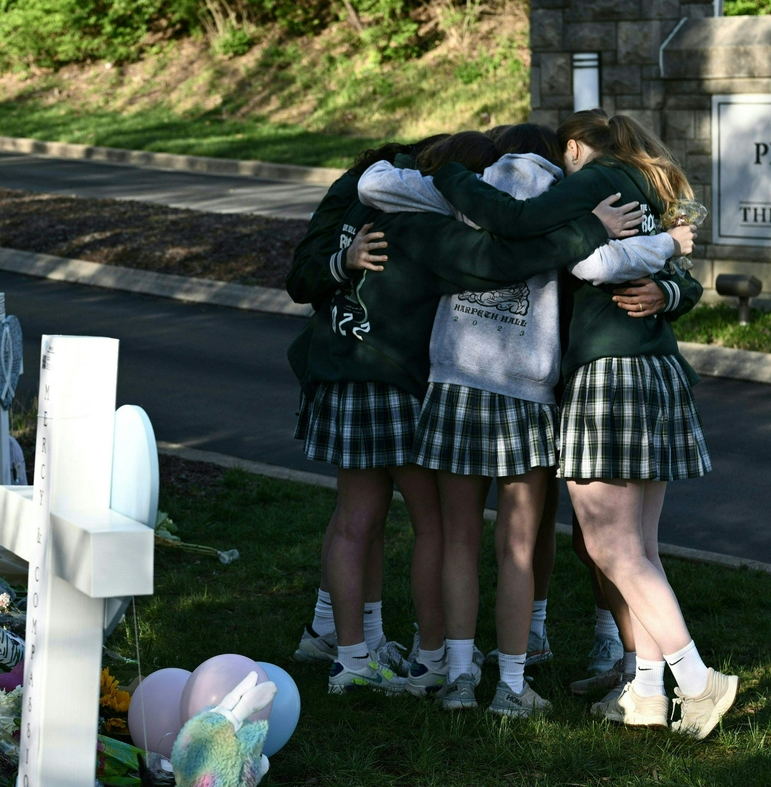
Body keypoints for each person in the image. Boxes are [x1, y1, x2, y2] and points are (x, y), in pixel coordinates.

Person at [355, 123, 695, 717]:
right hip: (526, 394)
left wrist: (440, 171)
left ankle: (459, 674)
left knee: (459, 538)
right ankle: (512, 684)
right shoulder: (568, 210)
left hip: (455, 382)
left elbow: (375, 183)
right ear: (558, 158)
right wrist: (670, 247)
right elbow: (606, 262)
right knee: (515, 544)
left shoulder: (466, 191)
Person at [289, 130, 642, 697]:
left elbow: (373, 192)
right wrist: (603, 232)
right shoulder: (482, 220)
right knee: (489, 539)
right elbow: (496, 258)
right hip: (454, 388)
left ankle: (396, 661)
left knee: (386, 524)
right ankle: (479, 671)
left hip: (409, 382)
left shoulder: (411, 204)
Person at [429, 109, 737, 738]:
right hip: (656, 373)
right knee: (640, 549)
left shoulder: (593, 180)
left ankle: (698, 682)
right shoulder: (650, 185)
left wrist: (453, 175)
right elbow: (678, 278)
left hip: (608, 376)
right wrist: (665, 271)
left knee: (611, 546)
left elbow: (527, 228)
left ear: (573, 148)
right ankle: (648, 693)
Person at [286, 137, 446, 675]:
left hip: (347, 370)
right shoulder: (409, 196)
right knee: (424, 521)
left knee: (359, 520)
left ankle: (355, 650)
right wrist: (342, 261)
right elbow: (302, 275)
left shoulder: (364, 190)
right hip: (385, 374)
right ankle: (425, 655)